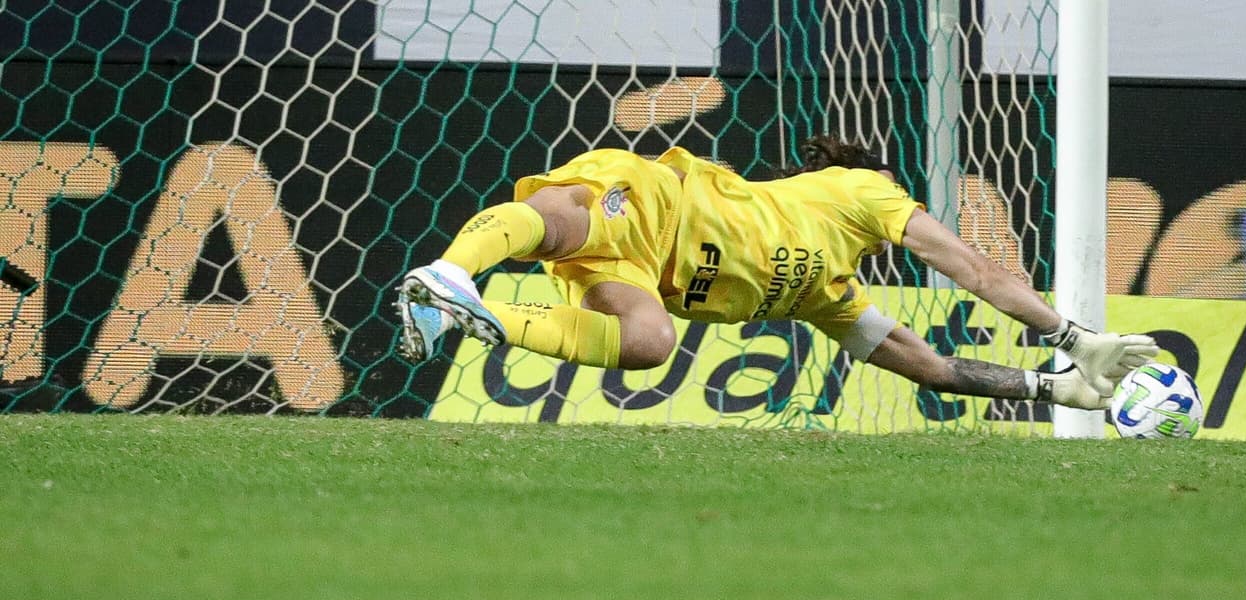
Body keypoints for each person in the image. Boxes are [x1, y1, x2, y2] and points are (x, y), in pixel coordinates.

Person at [395, 136, 1157, 410]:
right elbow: (972, 267)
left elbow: (929, 368)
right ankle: (451, 273)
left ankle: (480, 315)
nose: (916, 213)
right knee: (566, 217)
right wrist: (1069, 333)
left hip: (639, 270)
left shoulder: (832, 297)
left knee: (650, 341)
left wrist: (1052, 386)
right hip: (666, 203)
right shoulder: (863, 192)